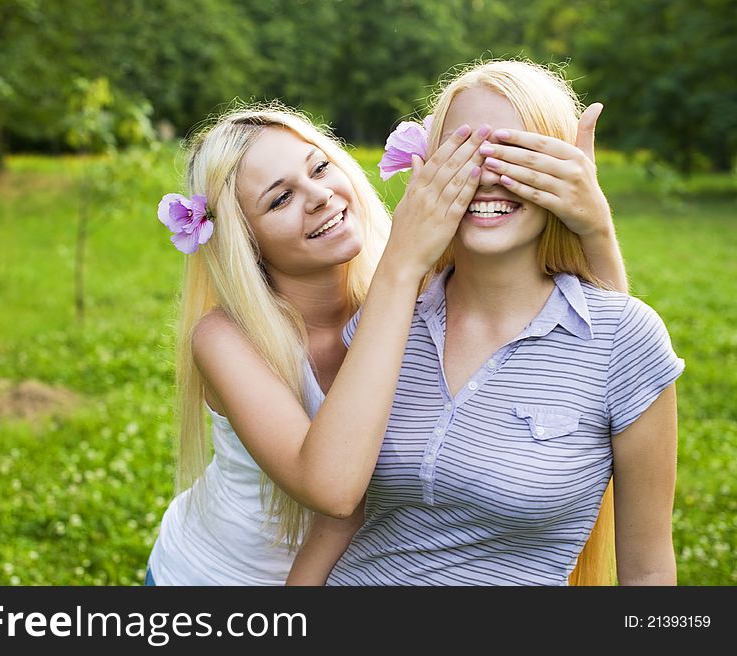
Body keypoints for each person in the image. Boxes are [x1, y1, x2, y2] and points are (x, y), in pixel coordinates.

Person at [147, 92, 625, 585]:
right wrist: (402, 263)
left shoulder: (411, 290)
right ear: (245, 240)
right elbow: (333, 490)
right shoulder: (226, 338)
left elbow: (596, 348)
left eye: (319, 169)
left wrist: (594, 226)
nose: (318, 197)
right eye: (280, 198)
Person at [286, 60, 683, 587]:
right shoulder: (386, 323)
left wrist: (594, 225)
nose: (489, 173)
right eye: (464, 153)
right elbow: (339, 519)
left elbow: (648, 570)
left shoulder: (625, 339)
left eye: (519, 154)